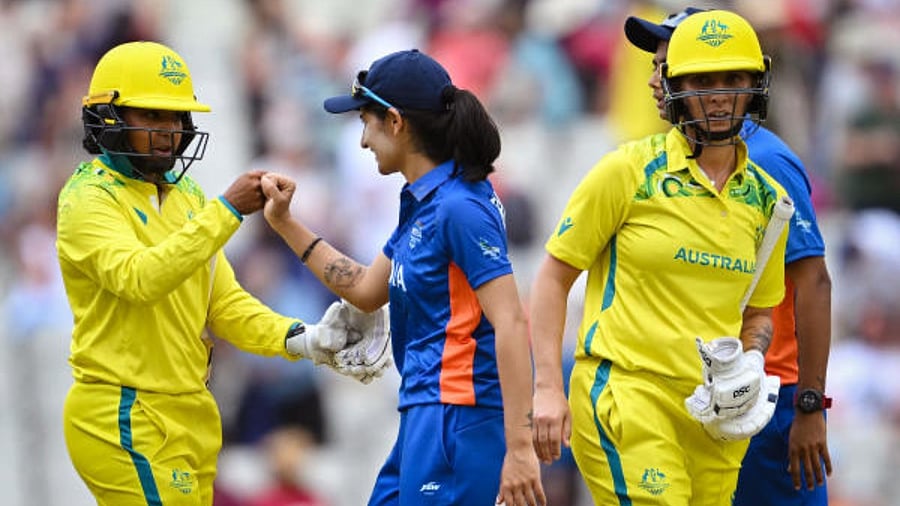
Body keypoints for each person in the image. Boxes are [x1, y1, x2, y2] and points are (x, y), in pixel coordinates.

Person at [57, 40, 388, 505]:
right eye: (152, 116)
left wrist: (306, 339)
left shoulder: (187, 194)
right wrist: (229, 209)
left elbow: (224, 305)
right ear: (109, 117)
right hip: (124, 411)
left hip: (192, 413)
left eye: (175, 117)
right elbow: (139, 279)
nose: (169, 130)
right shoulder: (87, 199)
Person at [259, 49, 546, 506]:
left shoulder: (459, 206)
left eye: (365, 122)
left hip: (460, 419)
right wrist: (284, 223)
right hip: (425, 416)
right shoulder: (424, 202)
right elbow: (367, 291)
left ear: (395, 122)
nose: (362, 142)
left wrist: (519, 448)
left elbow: (510, 321)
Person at [529, 10, 790, 505]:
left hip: (716, 417)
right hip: (628, 396)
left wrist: (751, 361)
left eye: (734, 79)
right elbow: (552, 279)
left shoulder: (768, 200)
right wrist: (547, 388)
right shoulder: (627, 172)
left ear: (756, 85)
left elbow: (760, 310)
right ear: (674, 87)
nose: (718, 95)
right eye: (701, 80)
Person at [625, 7, 834, 505]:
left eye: (665, 66)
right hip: (699, 398)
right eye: (656, 66)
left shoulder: (765, 160)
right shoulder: (665, 162)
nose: (655, 80)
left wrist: (809, 407)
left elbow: (814, 283)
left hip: (768, 401)